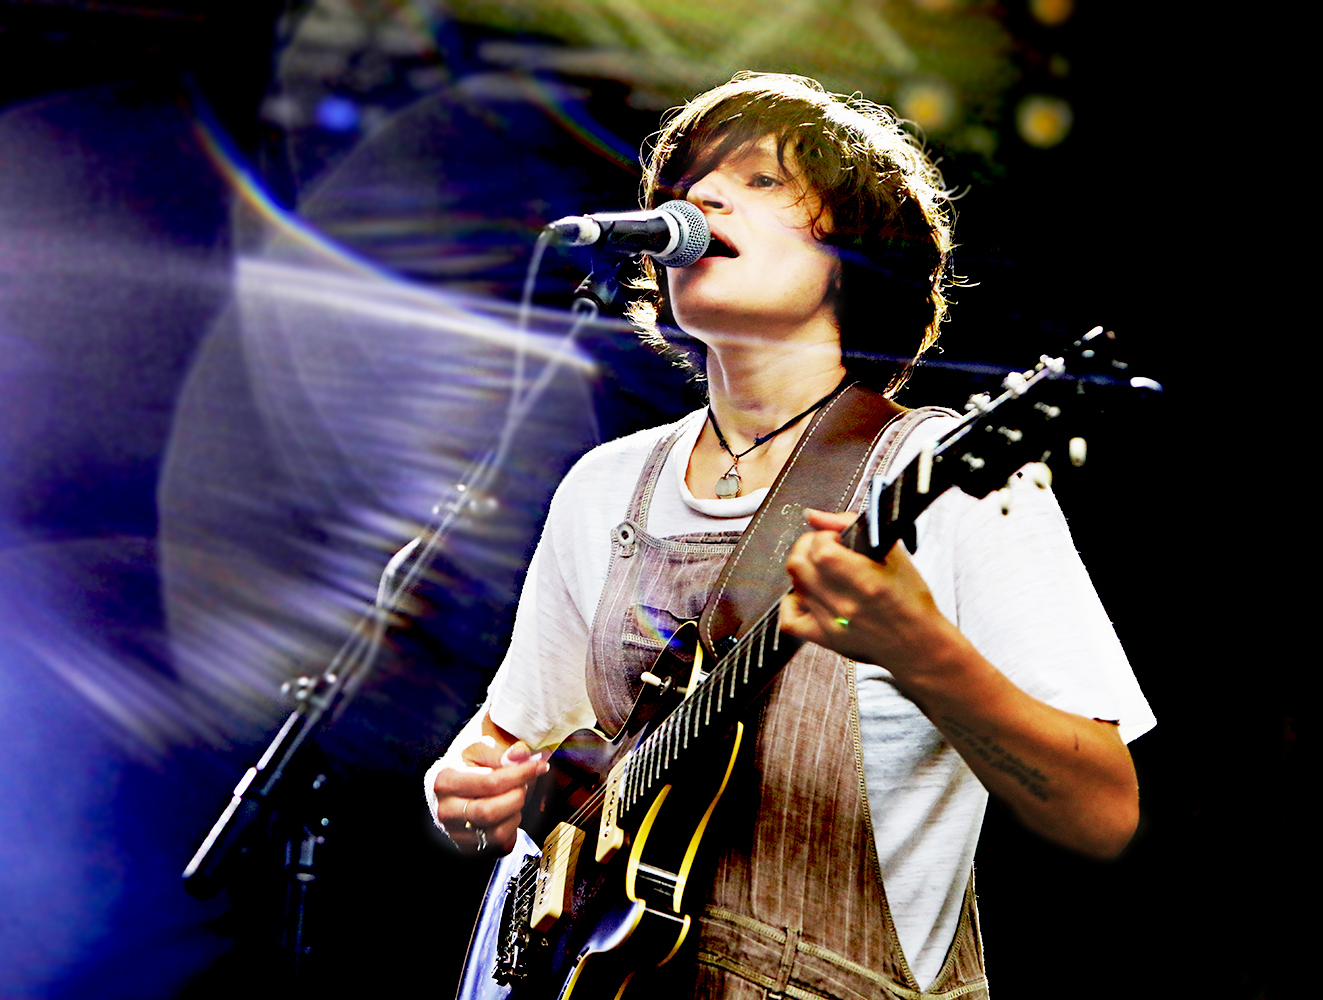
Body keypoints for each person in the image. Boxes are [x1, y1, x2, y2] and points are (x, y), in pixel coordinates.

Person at [427, 72, 1153, 998]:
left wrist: (920, 651)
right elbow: (508, 743)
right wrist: (467, 789)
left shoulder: (944, 482)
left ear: (856, 252)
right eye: (686, 182)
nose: (702, 195)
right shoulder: (603, 487)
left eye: (762, 179)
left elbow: (1102, 812)